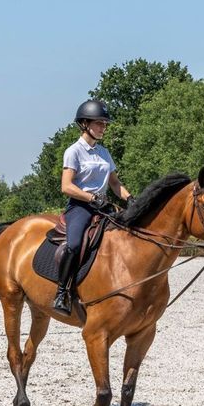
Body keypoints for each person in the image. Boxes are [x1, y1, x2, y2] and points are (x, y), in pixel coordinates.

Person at [56, 99, 131, 313]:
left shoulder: (104, 153)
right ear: (85, 124)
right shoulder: (74, 151)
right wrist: (90, 198)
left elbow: (115, 184)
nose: (103, 128)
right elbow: (66, 186)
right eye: (99, 123)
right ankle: (62, 293)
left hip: (103, 206)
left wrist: (130, 198)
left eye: (105, 124)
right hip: (81, 207)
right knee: (74, 244)